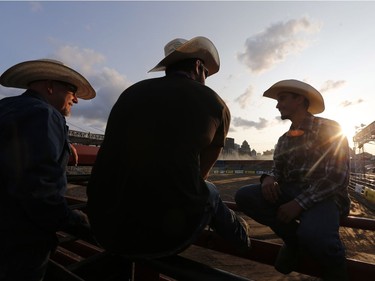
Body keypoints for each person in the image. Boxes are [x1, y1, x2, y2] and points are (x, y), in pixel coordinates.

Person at [86, 36, 251, 259]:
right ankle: (243, 239)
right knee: (209, 189)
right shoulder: (215, 103)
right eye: (207, 74)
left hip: (104, 226)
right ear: (198, 66)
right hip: (164, 236)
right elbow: (200, 174)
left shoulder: (129, 93)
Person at [235, 79, 351, 280]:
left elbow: (336, 177)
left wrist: (299, 203)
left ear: (299, 100)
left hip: (326, 196)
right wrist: (269, 179)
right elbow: (278, 170)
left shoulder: (330, 128)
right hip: (292, 192)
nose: (278, 104)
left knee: (314, 236)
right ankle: (293, 240)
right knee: (244, 196)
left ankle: (336, 266)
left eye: (282, 98)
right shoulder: (283, 139)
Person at [0, 59, 96, 281]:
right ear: (51, 87)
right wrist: (77, 222)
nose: (76, 99)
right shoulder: (44, 115)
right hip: (18, 244)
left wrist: (61, 142)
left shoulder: (7, 108)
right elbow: (40, 193)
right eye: (72, 90)